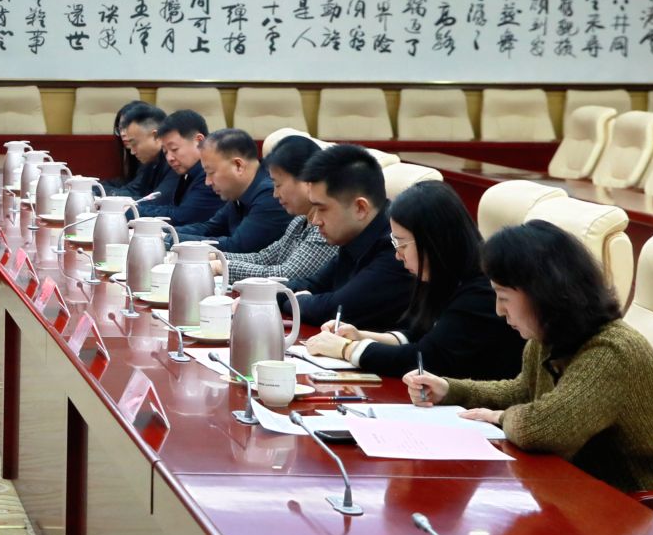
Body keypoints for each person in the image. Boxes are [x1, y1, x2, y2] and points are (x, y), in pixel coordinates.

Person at [405, 220, 653, 496]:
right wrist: (449, 389)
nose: (498, 310)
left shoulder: (611, 352)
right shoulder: (548, 338)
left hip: (648, 511)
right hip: (586, 494)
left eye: (504, 297)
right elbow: (523, 391)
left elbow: (544, 430)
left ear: (541, 293)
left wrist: (499, 417)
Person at [303, 181, 522, 381]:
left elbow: (426, 359)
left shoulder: (483, 290)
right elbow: (419, 334)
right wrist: (361, 336)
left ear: (433, 241)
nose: (398, 255)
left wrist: (347, 349)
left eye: (402, 244)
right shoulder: (445, 276)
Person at [288, 143, 414, 328]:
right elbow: (311, 284)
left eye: (322, 209)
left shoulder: (396, 247)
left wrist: (297, 301)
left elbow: (334, 310)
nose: (315, 221)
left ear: (360, 208)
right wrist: (275, 293)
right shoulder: (355, 235)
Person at [209, 135, 337, 287]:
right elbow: (264, 258)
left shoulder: (325, 226)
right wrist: (214, 256)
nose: (275, 194)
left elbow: (286, 275)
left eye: (278, 184)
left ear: (306, 180)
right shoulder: (299, 221)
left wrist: (222, 266)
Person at [174, 128, 287, 255]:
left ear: (238, 165)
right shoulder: (240, 192)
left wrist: (171, 240)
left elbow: (236, 247)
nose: (207, 182)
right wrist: (166, 233)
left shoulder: (270, 195)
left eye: (211, 172)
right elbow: (210, 228)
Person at [137, 109, 220, 225]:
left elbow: (182, 217)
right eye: (165, 152)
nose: (169, 158)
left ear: (199, 141)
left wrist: (132, 211)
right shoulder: (188, 171)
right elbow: (173, 208)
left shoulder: (210, 174)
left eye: (174, 149)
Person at [105, 102, 176, 201]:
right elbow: (138, 193)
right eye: (120, 129)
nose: (132, 152)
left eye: (134, 144)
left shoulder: (175, 162)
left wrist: (112, 201)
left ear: (156, 136)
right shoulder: (151, 160)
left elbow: (158, 202)